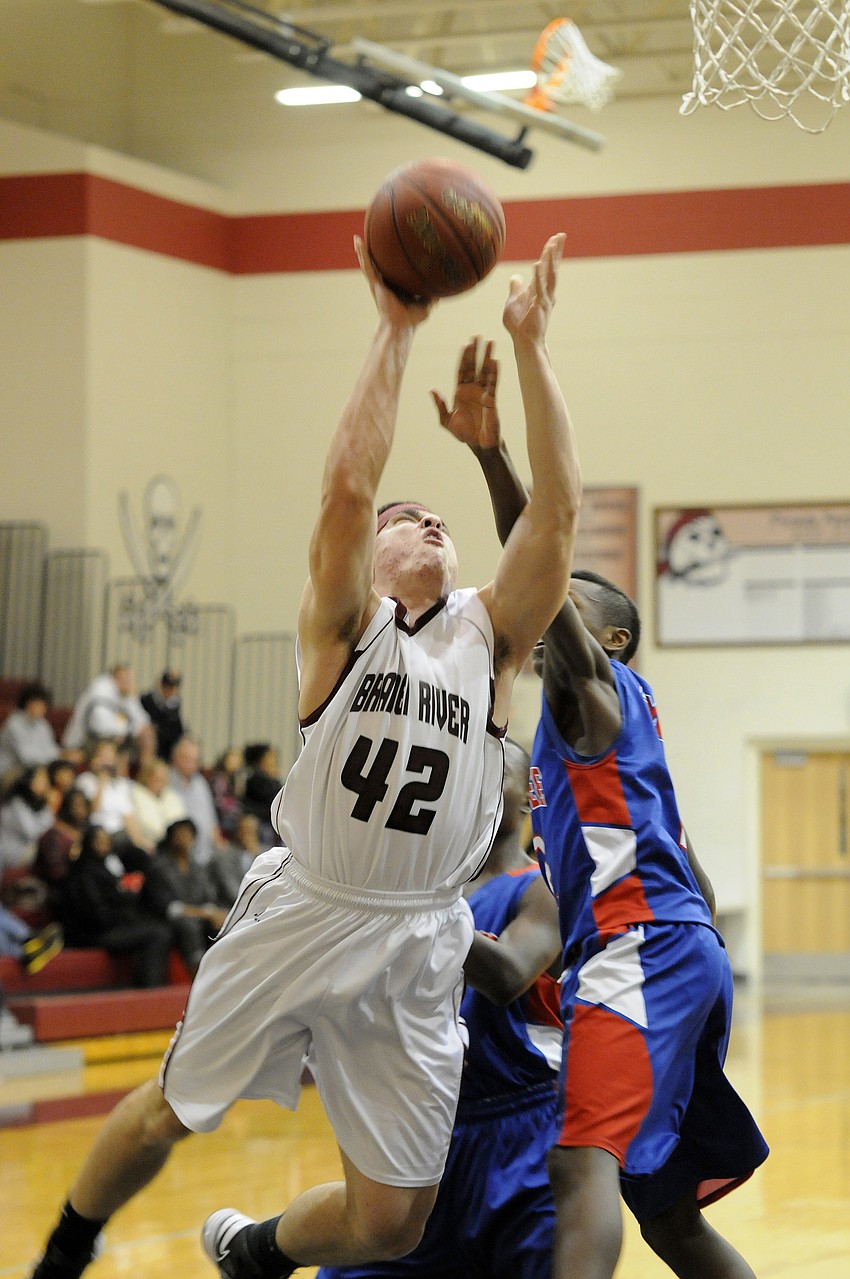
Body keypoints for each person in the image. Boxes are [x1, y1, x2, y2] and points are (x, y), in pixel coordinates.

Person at [28, 230, 579, 1279]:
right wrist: (395, 327)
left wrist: (533, 350)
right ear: (368, 559)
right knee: (164, 1115)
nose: (422, 521)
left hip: (421, 935)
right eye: (401, 517)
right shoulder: (343, 626)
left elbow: (555, 515)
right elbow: (343, 490)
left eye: (438, 519)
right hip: (308, 905)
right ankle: (63, 1252)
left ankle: (257, 1248)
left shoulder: (488, 638)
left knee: (391, 1225)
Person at [444, 381, 769, 1278]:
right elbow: (696, 884)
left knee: (576, 1160)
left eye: (569, 603)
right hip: (669, 951)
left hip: (643, 952)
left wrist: (490, 453)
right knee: (667, 1215)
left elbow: (536, 556)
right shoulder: (600, 742)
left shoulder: (593, 697)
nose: (547, 605)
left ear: (613, 641)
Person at [316, 739, 563, 1279]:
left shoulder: (545, 887)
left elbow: (509, 975)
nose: (479, 783)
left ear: (526, 801)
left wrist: (407, 904)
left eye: (497, 773)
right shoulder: (423, 891)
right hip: (421, 1125)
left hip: (523, 1131)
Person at [57, 824, 173, 989]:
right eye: (99, 841)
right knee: (158, 934)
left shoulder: (105, 867)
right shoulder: (83, 873)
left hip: (111, 926)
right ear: (89, 843)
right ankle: (150, 989)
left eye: (106, 841)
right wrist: (124, 913)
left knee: (158, 926)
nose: (104, 845)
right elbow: (96, 913)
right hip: (93, 933)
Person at [142, 818, 227, 975]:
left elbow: (208, 898)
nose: (185, 838)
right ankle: (197, 973)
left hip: (198, 916)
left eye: (189, 834)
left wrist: (214, 913)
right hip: (165, 919)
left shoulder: (197, 866)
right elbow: (168, 907)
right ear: (171, 838)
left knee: (224, 922)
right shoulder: (158, 867)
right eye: (180, 834)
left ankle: (225, 973)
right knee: (189, 925)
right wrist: (204, 913)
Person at [74, 740, 147, 858]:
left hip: (120, 836)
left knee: (142, 856)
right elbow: (91, 810)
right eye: (103, 756)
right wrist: (101, 781)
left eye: (110, 757)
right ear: (94, 758)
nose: (106, 761)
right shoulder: (85, 781)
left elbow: (128, 817)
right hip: (97, 833)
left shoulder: (119, 785)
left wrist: (141, 845)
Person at [61, 664, 151, 755]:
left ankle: (147, 768)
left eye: (130, 680)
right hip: (83, 741)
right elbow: (100, 725)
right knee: (119, 743)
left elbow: (143, 722)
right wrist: (125, 731)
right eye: (125, 679)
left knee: (147, 734)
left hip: (108, 736)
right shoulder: (100, 689)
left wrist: (132, 697)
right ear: (113, 678)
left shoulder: (125, 693)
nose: (128, 682)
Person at [168, 735, 227, 867]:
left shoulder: (200, 783)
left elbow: (212, 821)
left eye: (194, 760)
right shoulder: (165, 781)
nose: (190, 765)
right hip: (179, 854)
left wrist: (220, 845)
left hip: (207, 853)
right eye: (186, 759)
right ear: (174, 758)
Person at [0, 681, 61, 786]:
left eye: (43, 705)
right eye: (37, 704)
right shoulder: (14, 723)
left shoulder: (43, 724)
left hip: (33, 770)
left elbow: (51, 748)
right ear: (27, 703)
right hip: (9, 771)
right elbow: (27, 757)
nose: (41, 708)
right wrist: (57, 756)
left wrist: (60, 755)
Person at [0, 765, 56, 871]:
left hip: (23, 860)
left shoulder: (39, 804)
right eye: (40, 779)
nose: (45, 784)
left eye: (46, 780)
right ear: (29, 781)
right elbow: (31, 832)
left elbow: (50, 822)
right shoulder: (15, 802)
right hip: (7, 857)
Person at [130, 757, 187, 852]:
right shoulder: (137, 794)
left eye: (163, 779)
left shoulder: (171, 796)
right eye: (157, 778)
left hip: (174, 846)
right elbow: (149, 826)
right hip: (149, 848)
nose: (161, 782)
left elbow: (181, 821)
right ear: (147, 777)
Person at [210, 811, 263, 909]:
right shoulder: (224, 857)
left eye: (253, 831)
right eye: (246, 831)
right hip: (231, 909)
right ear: (238, 832)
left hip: (259, 906)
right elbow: (233, 892)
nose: (250, 836)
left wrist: (257, 855)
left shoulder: (264, 855)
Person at [240, 743, 284, 847]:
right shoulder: (256, 778)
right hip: (263, 824)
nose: (274, 760)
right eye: (270, 757)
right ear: (262, 760)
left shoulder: (266, 779)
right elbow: (275, 799)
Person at [140, 670, 186, 763]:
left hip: (169, 744)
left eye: (172, 687)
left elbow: (178, 728)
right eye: (167, 686)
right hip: (153, 741)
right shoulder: (147, 700)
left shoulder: (175, 704)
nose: (169, 690)